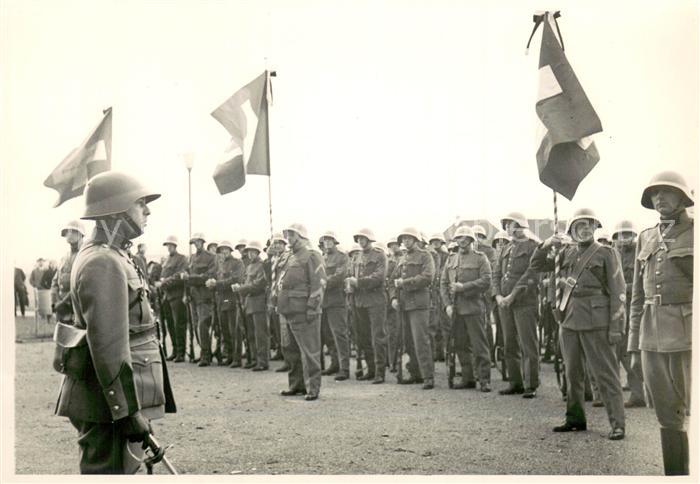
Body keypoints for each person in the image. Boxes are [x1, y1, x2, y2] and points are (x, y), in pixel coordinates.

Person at [54, 171, 175, 474]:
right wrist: (126, 411)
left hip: (108, 398)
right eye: (140, 204)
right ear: (117, 210)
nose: (147, 211)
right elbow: (108, 345)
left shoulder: (110, 254)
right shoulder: (102, 261)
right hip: (107, 404)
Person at [530, 208, 626, 440]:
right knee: (572, 373)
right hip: (570, 319)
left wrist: (616, 327)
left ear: (595, 228)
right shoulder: (565, 253)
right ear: (571, 230)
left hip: (597, 321)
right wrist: (546, 244)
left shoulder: (606, 253)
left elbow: (618, 291)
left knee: (606, 374)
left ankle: (617, 424)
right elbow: (536, 266)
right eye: (579, 225)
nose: (585, 229)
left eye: (589, 225)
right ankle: (575, 418)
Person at [628, 171, 693, 475]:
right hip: (651, 335)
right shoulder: (646, 236)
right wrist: (633, 341)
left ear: (682, 197)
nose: (660, 198)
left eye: (667, 192)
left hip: (687, 332)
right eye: (654, 193)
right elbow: (636, 296)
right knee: (667, 416)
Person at [492, 212, 540, 398]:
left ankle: (531, 384)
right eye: (507, 225)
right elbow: (497, 274)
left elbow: (532, 275)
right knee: (509, 343)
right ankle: (515, 382)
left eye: (512, 224)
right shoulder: (505, 249)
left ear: (521, 226)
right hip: (504, 303)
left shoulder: (532, 247)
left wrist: (512, 295)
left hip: (524, 302)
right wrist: (497, 295)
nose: (510, 228)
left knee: (528, 344)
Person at [277, 223, 326, 401]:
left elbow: (319, 284)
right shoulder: (289, 257)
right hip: (288, 309)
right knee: (291, 351)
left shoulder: (312, 255)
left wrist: (313, 308)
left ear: (302, 238)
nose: (289, 240)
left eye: (293, 236)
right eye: (288, 236)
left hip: (304, 310)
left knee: (309, 351)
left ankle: (312, 387)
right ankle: (296, 385)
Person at [440, 226, 492, 392]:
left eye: (465, 238)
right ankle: (468, 378)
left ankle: (484, 380)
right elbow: (443, 284)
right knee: (460, 345)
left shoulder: (480, 258)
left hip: (474, 307)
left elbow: (486, 280)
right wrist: (447, 304)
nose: (461, 241)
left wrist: (465, 287)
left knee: (479, 345)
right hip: (456, 309)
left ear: (471, 240)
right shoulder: (451, 259)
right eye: (458, 238)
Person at [389, 227, 436, 389]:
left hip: (419, 304)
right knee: (408, 341)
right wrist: (394, 297)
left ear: (416, 240)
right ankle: (415, 373)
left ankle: (428, 376)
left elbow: (428, 277)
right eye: (404, 239)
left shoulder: (425, 256)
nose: (406, 241)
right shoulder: (402, 258)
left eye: (409, 238)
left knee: (420, 340)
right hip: (403, 304)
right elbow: (393, 279)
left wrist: (405, 283)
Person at [346, 228, 388, 384]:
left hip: (375, 300)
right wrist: (350, 283)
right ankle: (370, 370)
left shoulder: (379, 255)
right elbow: (350, 274)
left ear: (370, 240)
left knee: (378, 336)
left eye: (363, 239)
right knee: (363, 337)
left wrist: (359, 282)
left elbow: (379, 276)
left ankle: (380, 372)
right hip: (359, 301)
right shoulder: (356, 257)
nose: (361, 241)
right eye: (359, 239)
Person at [612, 220, 646, 408]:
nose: (624, 239)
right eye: (620, 235)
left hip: (633, 309)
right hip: (615, 310)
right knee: (616, 353)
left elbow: (643, 283)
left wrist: (624, 288)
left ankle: (638, 394)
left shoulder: (640, 255)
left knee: (631, 353)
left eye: (628, 235)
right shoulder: (611, 254)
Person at [232, 240, 270, 371]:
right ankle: (255, 359)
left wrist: (241, 288)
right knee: (251, 334)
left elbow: (259, 284)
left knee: (260, 334)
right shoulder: (248, 267)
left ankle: (263, 361)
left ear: (258, 252)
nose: (250, 254)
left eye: (253, 252)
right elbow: (247, 282)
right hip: (249, 303)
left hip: (258, 303)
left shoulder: (262, 265)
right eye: (249, 252)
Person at [320, 231, 351, 381]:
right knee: (328, 335)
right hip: (324, 301)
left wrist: (325, 282)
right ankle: (335, 364)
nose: (327, 242)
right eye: (325, 240)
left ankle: (344, 368)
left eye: (330, 240)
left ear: (335, 241)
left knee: (340, 334)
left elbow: (340, 275)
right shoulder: (322, 257)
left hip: (337, 300)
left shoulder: (342, 257)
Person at [183, 233, 217, 366]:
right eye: (194, 242)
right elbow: (187, 275)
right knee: (196, 327)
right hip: (193, 297)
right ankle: (203, 352)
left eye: (198, 242)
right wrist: (186, 294)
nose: (196, 244)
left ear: (203, 242)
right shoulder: (191, 258)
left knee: (203, 326)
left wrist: (191, 278)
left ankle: (206, 356)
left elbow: (208, 276)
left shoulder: (210, 257)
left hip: (205, 296)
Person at [156, 236, 189, 362]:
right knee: (170, 325)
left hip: (177, 295)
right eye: (167, 246)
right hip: (167, 297)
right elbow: (162, 276)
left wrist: (164, 283)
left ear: (175, 246)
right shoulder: (166, 260)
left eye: (170, 245)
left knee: (178, 324)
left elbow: (179, 276)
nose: (169, 247)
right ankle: (175, 350)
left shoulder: (182, 259)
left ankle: (181, 352)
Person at [51, 220, 85, 324]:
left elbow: (81, 283)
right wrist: (55, 302)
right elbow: (55, 281)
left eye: (72, 231)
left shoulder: (85, 255)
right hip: (61, 310)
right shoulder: (64, 257)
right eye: (67, 232)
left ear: (80, 234)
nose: (69, 234)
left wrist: (64, 302)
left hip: (76, 308)